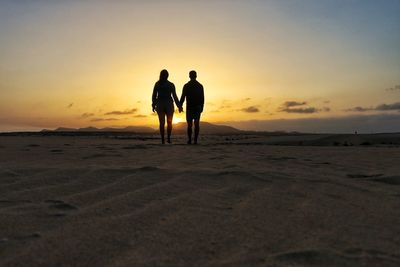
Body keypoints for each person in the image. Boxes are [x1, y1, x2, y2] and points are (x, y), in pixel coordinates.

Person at [152, 69, 181, 144]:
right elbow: (174, 96)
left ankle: (163, 140)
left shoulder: (157, 84)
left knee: (162, 123)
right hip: (168, 103)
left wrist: (153, 104)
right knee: (169, 122)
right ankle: (168, 138)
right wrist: (179, 106)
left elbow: (154, 95)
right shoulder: (170, 84)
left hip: (160, 103)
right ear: (167, 76)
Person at [180, 70, 204, 144]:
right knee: (196, 124)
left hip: (190, 107)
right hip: (197, 107)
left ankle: (190, 140)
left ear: (189, 76)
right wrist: (202, 106)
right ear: (196, 76)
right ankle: (195, 140)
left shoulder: (186, 85)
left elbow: (183, 97)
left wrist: (180, 105)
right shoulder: (199, 86)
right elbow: (202, 98)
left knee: (190, 125)